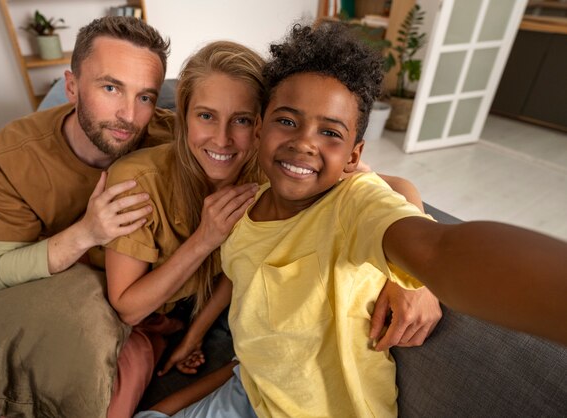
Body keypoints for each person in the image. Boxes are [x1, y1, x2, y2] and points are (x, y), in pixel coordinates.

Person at [133, 22, 567, 418]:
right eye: (288, 121)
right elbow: (249, 320)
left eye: (330, 132)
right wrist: (191, 344)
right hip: (248, 394)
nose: (304, 143)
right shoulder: (244, 206)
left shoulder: (351, 206)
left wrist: (417, 277)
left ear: (354, 157)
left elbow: (440, 249)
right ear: (262, 128)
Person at [103, 38, 441, 397]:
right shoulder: (137, 179)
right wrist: (205, 239)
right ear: (182, 117)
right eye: (206, 116)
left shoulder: (279, 174)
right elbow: (129, 309)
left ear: (262, 125)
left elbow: (396, 188)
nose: (222, 139)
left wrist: (416, 280)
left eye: (242, 120)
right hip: (142, 309)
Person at [0, 16, 175, 418]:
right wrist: (86, 232)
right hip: (5, 238)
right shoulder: (12, 152)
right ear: (71, 87)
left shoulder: (169, 142)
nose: (129, 116)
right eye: (110, 87)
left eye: (145, 97)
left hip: (82, 267)